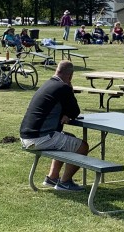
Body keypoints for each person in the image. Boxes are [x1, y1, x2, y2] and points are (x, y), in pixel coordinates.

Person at [19, 60, 89, 192]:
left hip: (26, 136)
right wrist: (70, 89)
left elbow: (64, 110)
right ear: (70, 75)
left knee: (68, 138)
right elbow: (75, 111)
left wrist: (66, 113)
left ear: (57, 71)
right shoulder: (64, 87)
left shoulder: (48, 84)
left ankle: (52, 177)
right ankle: (65, 182)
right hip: (39, 138)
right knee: (82, 147)